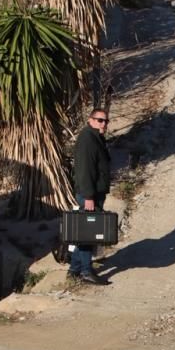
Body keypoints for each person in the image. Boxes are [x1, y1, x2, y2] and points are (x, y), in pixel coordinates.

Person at [68, 108, 112, 285]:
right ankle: (86, 271)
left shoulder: (95, 137)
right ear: (90, 120)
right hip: (90, 194)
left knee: (84, 231)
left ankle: (74, 269)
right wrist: (88, 197)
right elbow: (84, 170)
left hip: (95, 192)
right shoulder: (87, 138)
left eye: (106, 121)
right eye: (99, 120)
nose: (103, 124)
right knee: (88, 233)